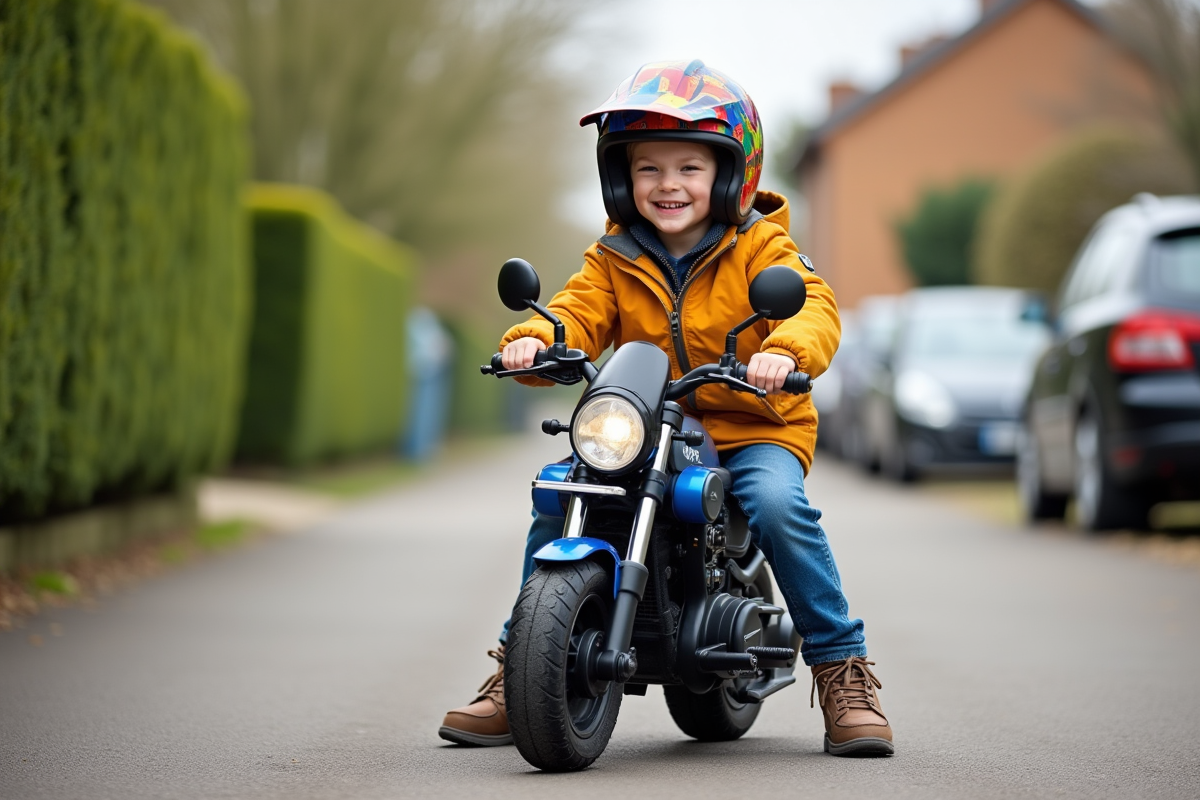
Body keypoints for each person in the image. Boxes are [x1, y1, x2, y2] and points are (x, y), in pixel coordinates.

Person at [438, 60, 894, 757]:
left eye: (688, 167)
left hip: (749, 428)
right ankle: (518, 671)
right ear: (620, 178)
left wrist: (788, 353)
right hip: (639, 430)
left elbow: (816, 308)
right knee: (562, 492)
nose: (668, 185)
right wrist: (534, 341)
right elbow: (574, 313)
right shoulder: (613, 257)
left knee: (776, 505)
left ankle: (841, 670)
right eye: (648, 168)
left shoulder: (761, 245)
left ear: (730, 175)